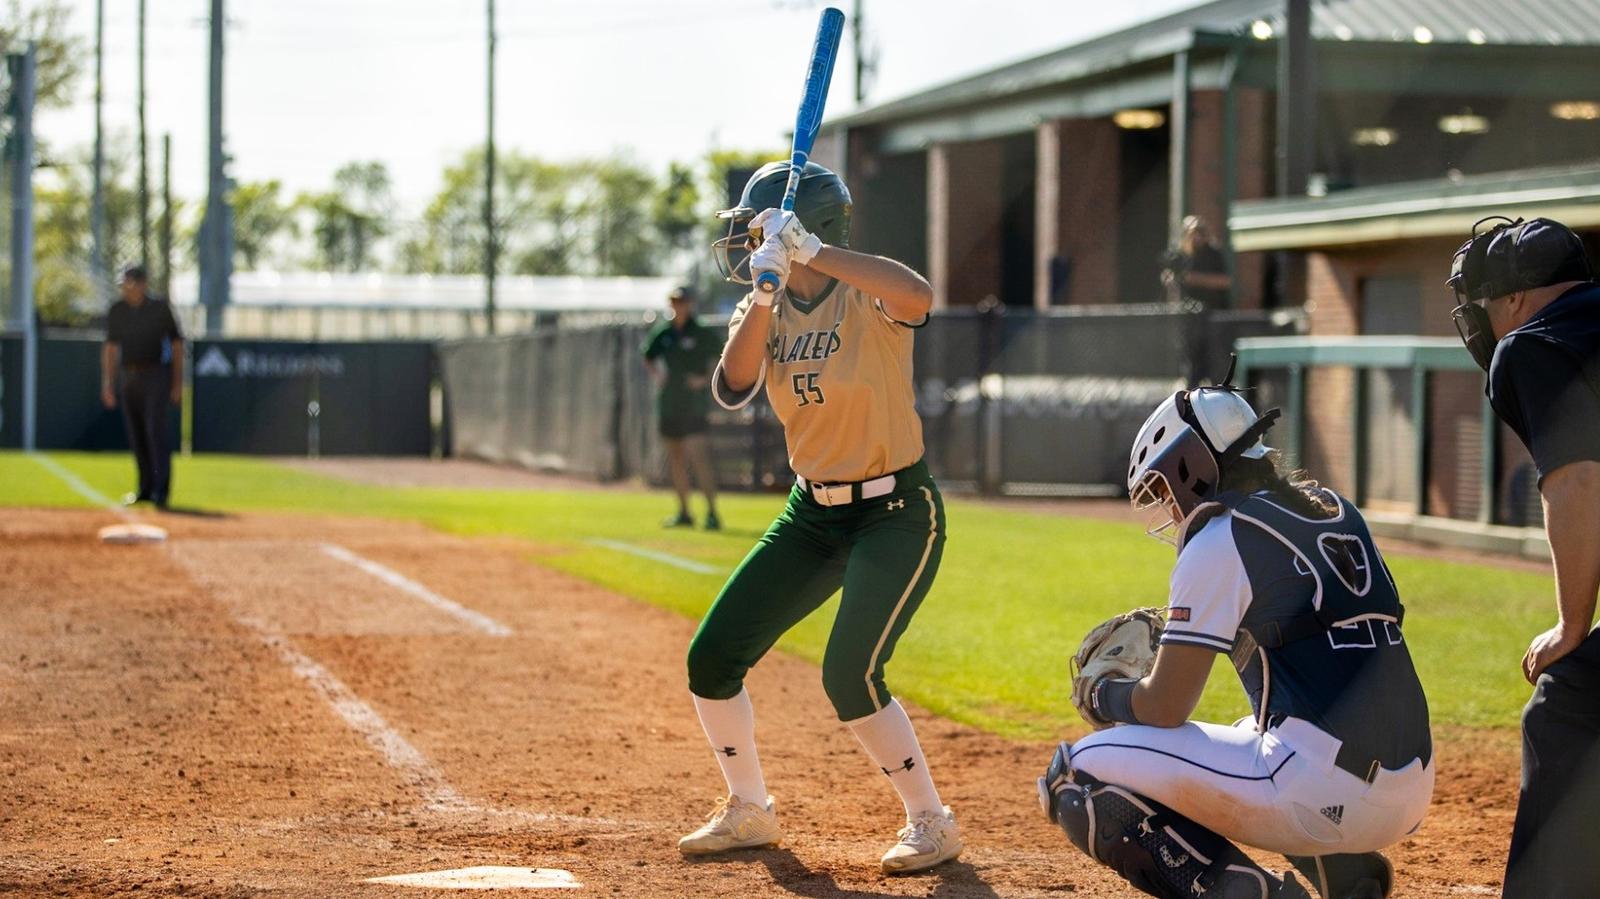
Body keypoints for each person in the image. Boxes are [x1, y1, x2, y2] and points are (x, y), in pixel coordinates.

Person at [1037, 372, 1433, 899]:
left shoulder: (1222, 536)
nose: (1168, 507)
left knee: (1074, 775)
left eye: (1162, 486)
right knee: (1250, 725)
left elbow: (1165, 706)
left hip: (1323, 792)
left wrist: (1101, 695)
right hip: (1410, 788)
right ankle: (1346, 873)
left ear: (1189, 466)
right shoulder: (1335, 510)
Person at [676, 160, 960, 874]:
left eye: (759, 230)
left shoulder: (866, 295)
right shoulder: (761, 303)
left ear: (810, 226)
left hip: (895, 510)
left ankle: (931, 819)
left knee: (850, 672)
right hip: (811, 514)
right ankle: (749, 809)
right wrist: (768, 292)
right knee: (712, 657)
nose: (747, 243)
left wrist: (812, 251)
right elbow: (733, 386)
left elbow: (919, 294)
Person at [1445, 215, 1600, 898]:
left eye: (1483, 304)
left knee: (1567, 703)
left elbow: (1578, 481)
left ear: (1514, 299)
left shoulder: (1533, 345)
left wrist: (1573, 625)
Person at [100, 264, 183, 509]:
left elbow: (177, 345)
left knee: (155, 432)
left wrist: (177, 383)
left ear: (142, 284)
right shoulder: (118, 310)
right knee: (137, 435)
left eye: (131, 283)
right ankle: (145, 488)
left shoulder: (158, 308)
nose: (127, 288)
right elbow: (111, 348)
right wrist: (107, 383)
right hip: (129, 376)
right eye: (124, 283)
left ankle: (161, 491)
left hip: (155, 375)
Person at [642, 286, 724, 530]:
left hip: (694, 406)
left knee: (699, 458)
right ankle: (684, 512)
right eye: (674, 301)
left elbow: (722, 356)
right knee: (675, 458)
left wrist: (704, 379)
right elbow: (647, 355)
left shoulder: (701, 332)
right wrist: (658, 376)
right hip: (669, 405)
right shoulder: (664, 331)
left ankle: (711, 512)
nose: (678, 306)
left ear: (690, 303)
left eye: (682, 301)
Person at [1161, 215, 1232, 310]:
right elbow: (1168, 277)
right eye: (1191, 233)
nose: (1196, 237)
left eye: (1200, 233)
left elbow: (1225, 282)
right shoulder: (1178, 255)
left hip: (1212, 310)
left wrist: (1194, 279)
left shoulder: (1213, 254)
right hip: (1186, 311)